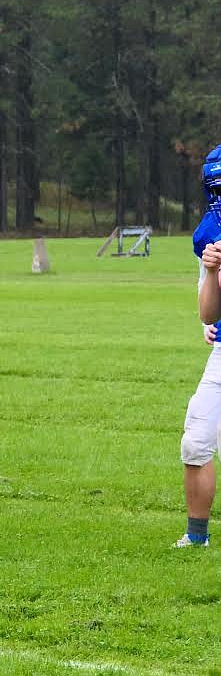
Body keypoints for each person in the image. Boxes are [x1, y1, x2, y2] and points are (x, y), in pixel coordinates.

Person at [178, 144, 221, 547]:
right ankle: (196, 538)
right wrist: (211, 272)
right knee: (195, 441)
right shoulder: (210, 232)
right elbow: (208, 314)